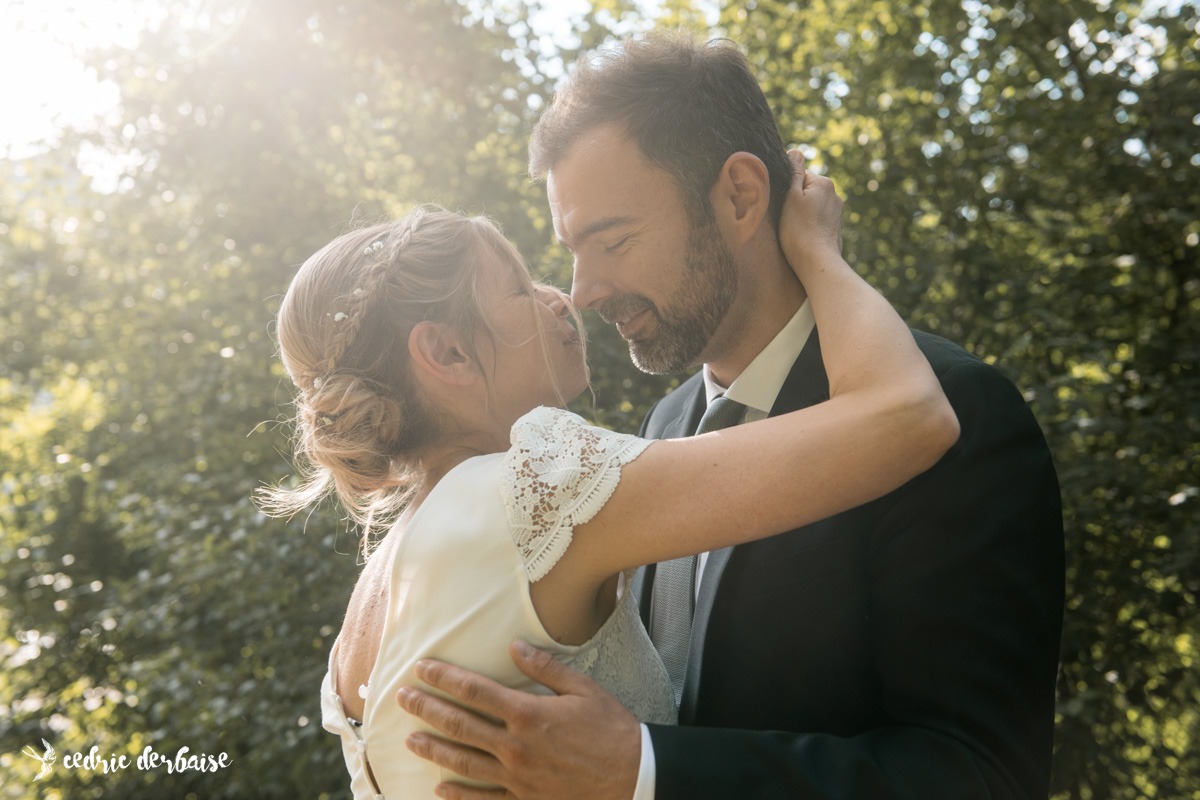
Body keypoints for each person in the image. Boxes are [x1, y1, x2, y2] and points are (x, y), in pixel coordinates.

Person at [397, 33, 1064, 800]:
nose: (582, 291)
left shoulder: (959, 412)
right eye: (574, 250)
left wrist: (645, 773)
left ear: (741, 197)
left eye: (611, 240)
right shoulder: (659, 430)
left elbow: (984, 777)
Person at [262, 151, 957, 798]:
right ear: (446, 353)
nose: (560, 297)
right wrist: (817, 252)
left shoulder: (376, 595)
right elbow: (908, 417)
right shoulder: (535, 485)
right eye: (516, 287)